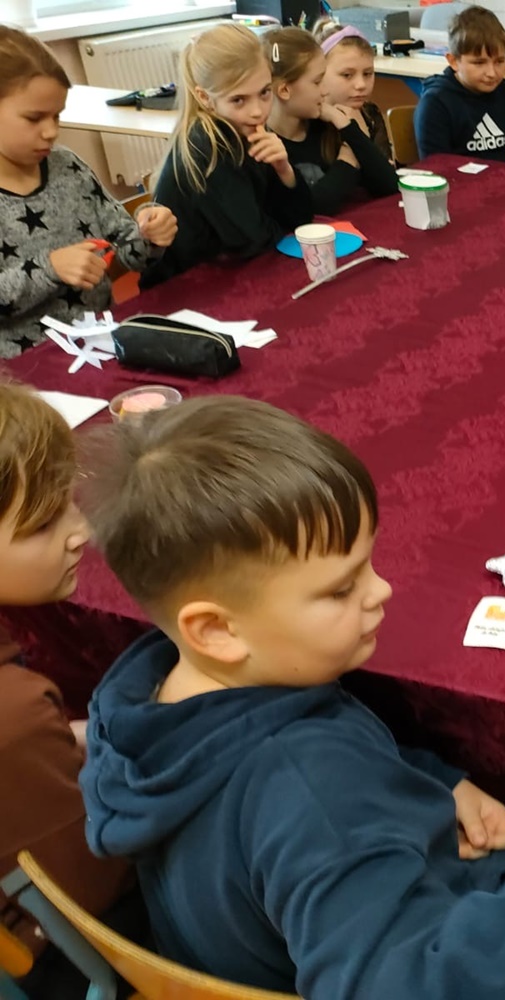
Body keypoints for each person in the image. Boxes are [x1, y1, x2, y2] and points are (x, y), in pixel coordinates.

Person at [77, 395, 505, 999]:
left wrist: (432, 779)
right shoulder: (311, 791)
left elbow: (310, 770)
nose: (382, 591)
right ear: (216, 629)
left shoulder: (144, 689)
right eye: (340, 588)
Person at [0, 383, 138, 997]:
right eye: (45, 520)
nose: (82, 531)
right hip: (77, 949)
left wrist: (66, 741)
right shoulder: (15, 719)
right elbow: (97, 885)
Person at [0, 26, 176, 356]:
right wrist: (49, 269)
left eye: (56, 116)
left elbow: (126, 252)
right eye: (34, 118)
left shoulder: (67, 166)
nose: (51, 131)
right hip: (22, 370)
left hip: (102, 344)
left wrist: (150, 234)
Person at [144, 23, 312, 289]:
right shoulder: (208, 145)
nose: (258, 111)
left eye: (264, 92)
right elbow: (254, 241)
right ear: (205, 98)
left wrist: (284, 170)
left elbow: (301, 219)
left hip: (228, 274)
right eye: (238, 100)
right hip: (183, 290)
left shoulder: (247, 129)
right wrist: (278, 222)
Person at [265, 27, 397, 214]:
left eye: (368, 73)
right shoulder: (266, 144)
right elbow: (309, 209)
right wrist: (348, 160)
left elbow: (389, 185)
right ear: (284, 90)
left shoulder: (333, 121)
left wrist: (347, 127)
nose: (324, 91)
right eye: (317, 81)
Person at [413, 7, 505, 163]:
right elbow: (436, 167)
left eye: (499, 61)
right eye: (479, 63)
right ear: (453, 61)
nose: (492, 73)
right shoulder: (436, 103)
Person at [313, 21, 392, 163]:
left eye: (367, 74)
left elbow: (387, 174)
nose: (361, 85)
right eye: (347, 75)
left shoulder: (370, 114)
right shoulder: (309, 120)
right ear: (320, 74)